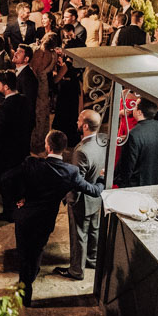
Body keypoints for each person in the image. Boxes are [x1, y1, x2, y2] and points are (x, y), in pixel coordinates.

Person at [2, 130, 104, 307]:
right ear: (64, 149)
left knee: (24, 253)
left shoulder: (31, 163)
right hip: (45, 220)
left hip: (25, 217)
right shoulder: (71, 172)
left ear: (47, 146)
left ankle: (25, 287)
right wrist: (101, 178)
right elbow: (94, 191)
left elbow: (6, 178)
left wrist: (18, 198)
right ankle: (30, 277)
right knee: (37, 251)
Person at [55, 110, 106, 281]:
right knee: (94, 230)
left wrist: (70, 199)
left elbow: (78, 181)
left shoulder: (82, 151)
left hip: (82, 200)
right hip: (96, 198)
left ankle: (76, 270)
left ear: (85, 126)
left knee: (78, 236)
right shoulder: (102, 141)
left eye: (78, 120)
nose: (76, 122)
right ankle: (92, 260)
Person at [0, 69, 34, 221]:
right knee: (19, 182)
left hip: (5, 154)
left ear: (6, 87)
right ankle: (19, 209)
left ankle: (9, 213)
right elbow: (31, 123)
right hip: (22, 149)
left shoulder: (2, 108)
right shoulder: (25, 101)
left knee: (6, 184)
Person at [114, 98, 158, 187]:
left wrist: (120, 182)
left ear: (139, 112)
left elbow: (128, 167)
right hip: (154, 178)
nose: (133, 108)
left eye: (135, 106)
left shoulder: (133, 134)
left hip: (137, 183)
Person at [30, 33, 58, 153]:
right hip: (44, 85)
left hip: (32, 83)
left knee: (32, 111)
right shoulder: (53, 55)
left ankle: (32, 142)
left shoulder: (34, 50)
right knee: (42, 114)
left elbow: (32, 67)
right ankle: (40, 143)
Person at [13, 44, 38, 121]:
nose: (15, 53)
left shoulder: (28, 77)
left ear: (26, 59)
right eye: (16, 51)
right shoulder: (16, 71)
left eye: (20, 52)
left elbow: (28, 104)